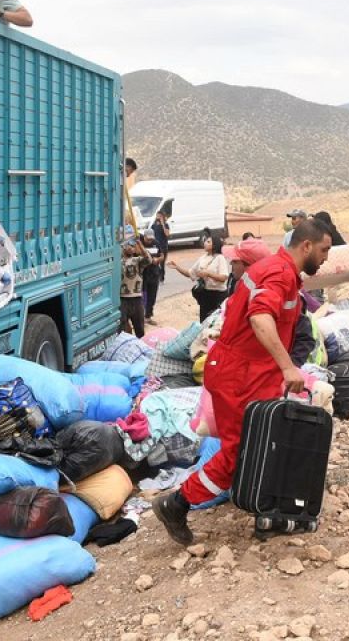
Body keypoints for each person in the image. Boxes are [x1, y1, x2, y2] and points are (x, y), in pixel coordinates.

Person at [152, 219, 334, 544]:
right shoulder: (278, 274)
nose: (326, 258)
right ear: (306, 246)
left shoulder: (278, 271)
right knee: (240, 451)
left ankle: (269, 511)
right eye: (324, 250)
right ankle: (177, 504)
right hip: (241, 375)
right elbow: (260, 318)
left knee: (265, 440)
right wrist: (288, 368)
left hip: (249, 372)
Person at [169, 231, 231, 321]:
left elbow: (224, 277)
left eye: (209, 241)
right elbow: (190, 273)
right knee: (204, 321)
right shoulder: (202, 258)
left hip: (219, 295)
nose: (205, 242)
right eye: (206, 241)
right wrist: (177, 267)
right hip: (206, 294)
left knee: (218, 322)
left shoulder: (220, 258)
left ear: (214, 245)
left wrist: (208, 274)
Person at [119, 238, 151, 338]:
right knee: (122, 331)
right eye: (129, 246)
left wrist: (140, 245)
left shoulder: (137, 261)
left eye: (133, 246)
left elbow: (148, 259)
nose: (131, 248)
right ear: (123, 247)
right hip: (122, 299)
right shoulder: (118, 263)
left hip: (137, 299)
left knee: (140, 330)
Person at [141, 231, 163, 325]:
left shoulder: (156, 243)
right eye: (148, 238)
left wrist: (158, 259)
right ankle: (141, 318)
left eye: (151, 239)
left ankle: (148, 317)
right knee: (143, 296)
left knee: (152, 296)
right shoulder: (140, 244)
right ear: (144, 237)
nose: (150, 240)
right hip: (143, 274)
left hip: (154, 273)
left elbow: (162, 255)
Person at [152, 210, 171, 283]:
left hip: (163, 246)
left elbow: (167, 234)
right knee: (155, 262)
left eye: (160, 216)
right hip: (156, 247)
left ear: (163, 217)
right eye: (157, 216)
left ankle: (162, 278)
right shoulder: (154, 225)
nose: (158, 217)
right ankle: (157, 276)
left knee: (162, 263)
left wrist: (163, 224)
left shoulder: (166, 225)